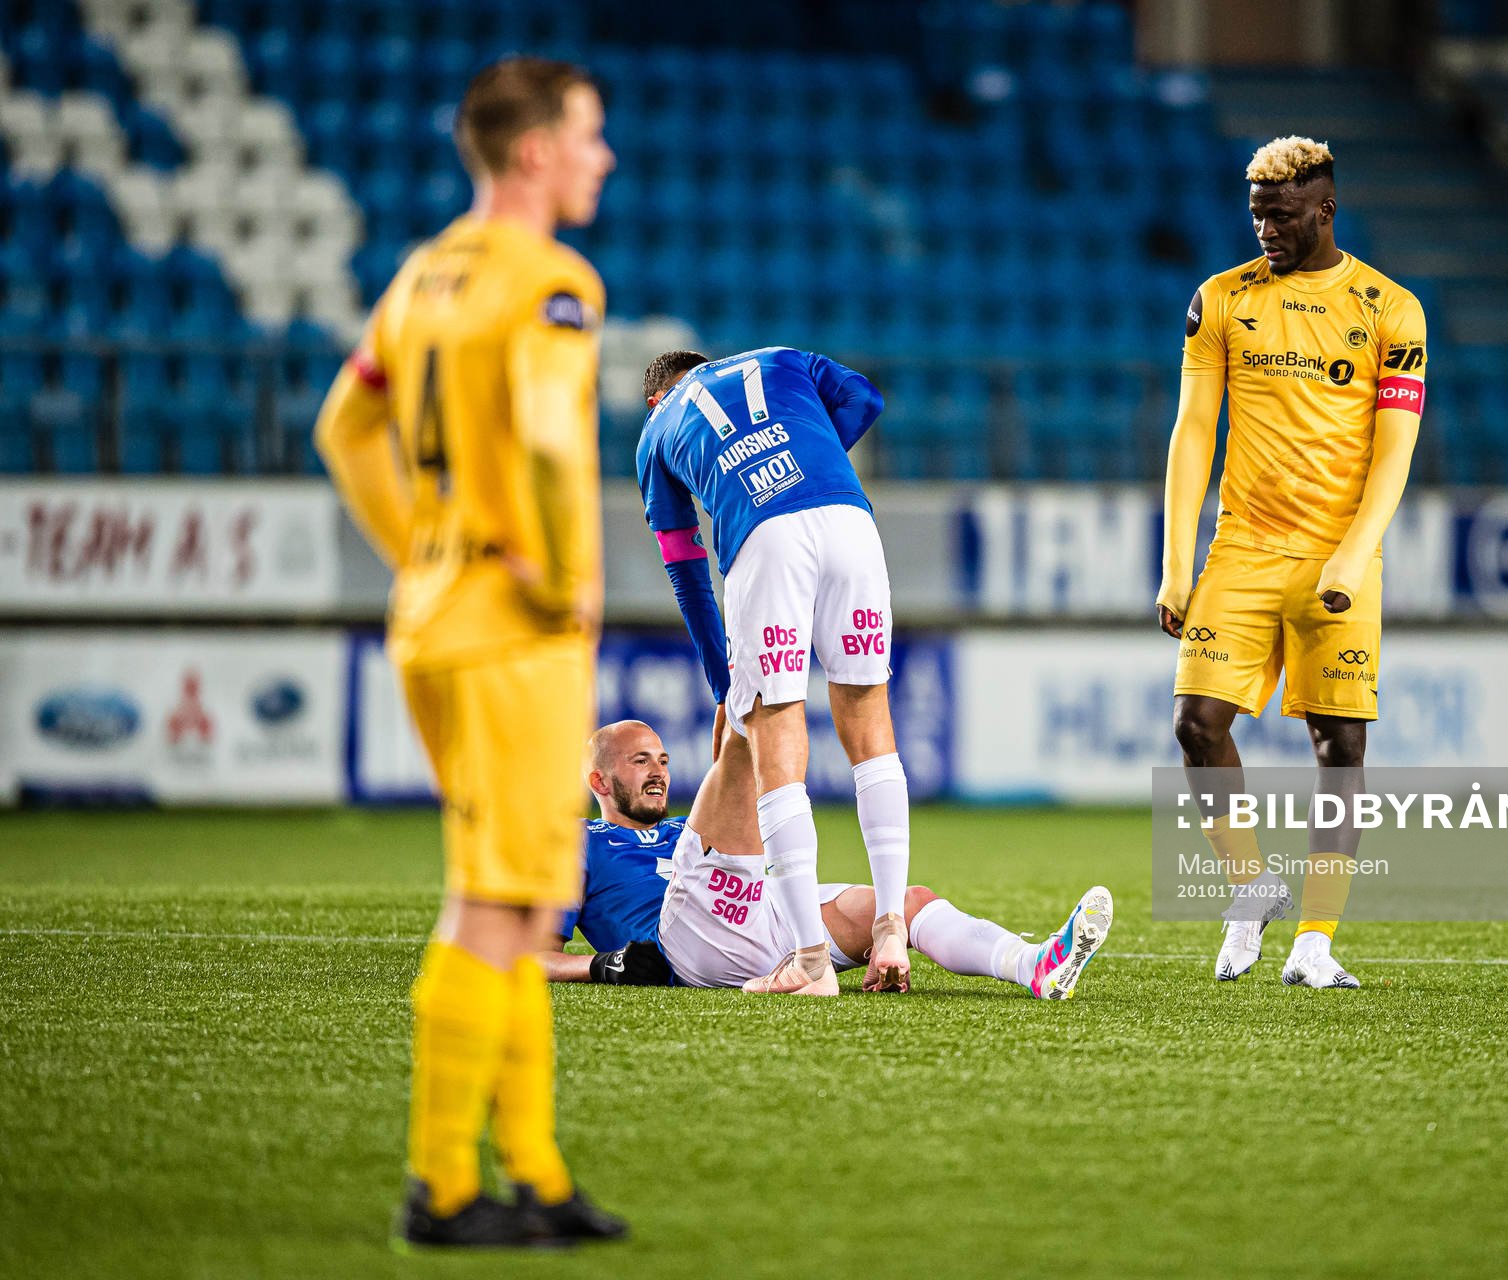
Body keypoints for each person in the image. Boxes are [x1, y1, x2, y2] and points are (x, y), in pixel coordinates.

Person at [315, 57, 624, 1249]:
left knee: (527, 897)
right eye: (588, 135)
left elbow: (346, 424)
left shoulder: (421, 275)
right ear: (534, 149)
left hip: (439, 615)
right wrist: (561, 575)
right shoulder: (551, 283)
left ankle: (536, 1173)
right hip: (512, 630)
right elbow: (550, 440)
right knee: (499, 907)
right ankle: (443, 1185)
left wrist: (421, 549)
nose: (602, 157)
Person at [1156, 136, 1428, 990]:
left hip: (1337, 557)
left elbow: (1394, 454)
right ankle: (1251, 889)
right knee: (1197, 723)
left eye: (1281, 215)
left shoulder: (1392, 310)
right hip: (1241, 546)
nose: (1266, 229)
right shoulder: (1222, 300)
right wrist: (1174, 565)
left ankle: (1315, 941)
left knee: (1338, 745)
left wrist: (1353, 555)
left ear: (1325, 210)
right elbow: (1194, 430)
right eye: (1256, 215)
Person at [635, 346, 911, 998]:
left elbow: (686, 567)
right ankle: (892, 925)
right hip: (848, 517)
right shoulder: (783, 358)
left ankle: (810, 963)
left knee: (775, 739)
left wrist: (724, 683)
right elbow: (864, 398)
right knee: (872, 727)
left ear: (655, 398)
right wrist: (807, 455)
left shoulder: (657, 432)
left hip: (766, 532)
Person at [540, 720, 1112, 1001]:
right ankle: (765, 642)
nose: (659, 771)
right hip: (684, 945)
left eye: (663, 759)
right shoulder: (578, 842)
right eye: (641, 762)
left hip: (760, 914)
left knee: (905, 906)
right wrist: (599, 966)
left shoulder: (683, 834)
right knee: (747, 733)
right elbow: (529, 956)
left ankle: (1034, 965)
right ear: (599, 779)